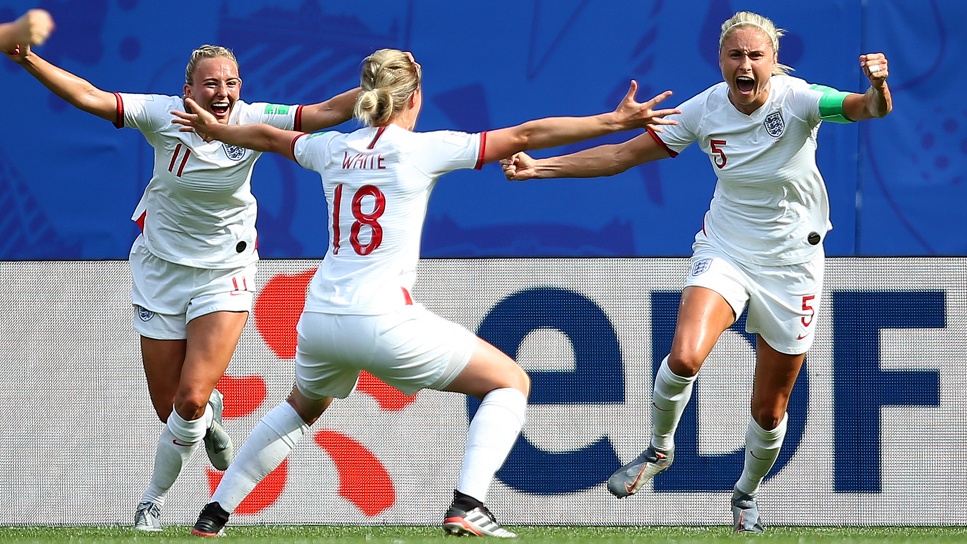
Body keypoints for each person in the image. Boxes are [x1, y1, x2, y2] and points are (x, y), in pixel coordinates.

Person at [170, 48, 679, 538]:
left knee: (302, 406)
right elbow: (527, 133)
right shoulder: (424, 149)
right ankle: (469, 505)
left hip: (321, 316)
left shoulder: (331, 148)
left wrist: (218, 130)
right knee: (509, 383)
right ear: (413, 99)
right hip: (382, 319)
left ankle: (214, 514)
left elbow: (270, 138)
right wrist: (612, 122)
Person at [501, 11, 892, 534]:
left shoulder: (798, 98)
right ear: (721, 60)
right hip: (726, 249)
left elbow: (866, 108)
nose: (746, 64)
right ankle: (660, 449)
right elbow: (620, 154)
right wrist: (540, 166)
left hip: (794, 265)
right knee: (684, 356)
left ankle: (746, 494)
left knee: (771, 410)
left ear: (773, 63)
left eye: (756, 55)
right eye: (736, 55)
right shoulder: (705, 109)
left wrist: (879, 86)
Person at [4, 43, 359, 531]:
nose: (222, 92)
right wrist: (27, 59)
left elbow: (323, 113)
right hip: (160, 271)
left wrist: (385, 87)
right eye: (211, 83)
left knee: (189, 397)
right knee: (171, 408)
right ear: (188, 90)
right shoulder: (160, 114)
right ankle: (209, 420)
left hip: (224, 272)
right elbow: (89, 96)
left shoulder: (253, 118)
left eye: (230, 83)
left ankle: (152, 502)